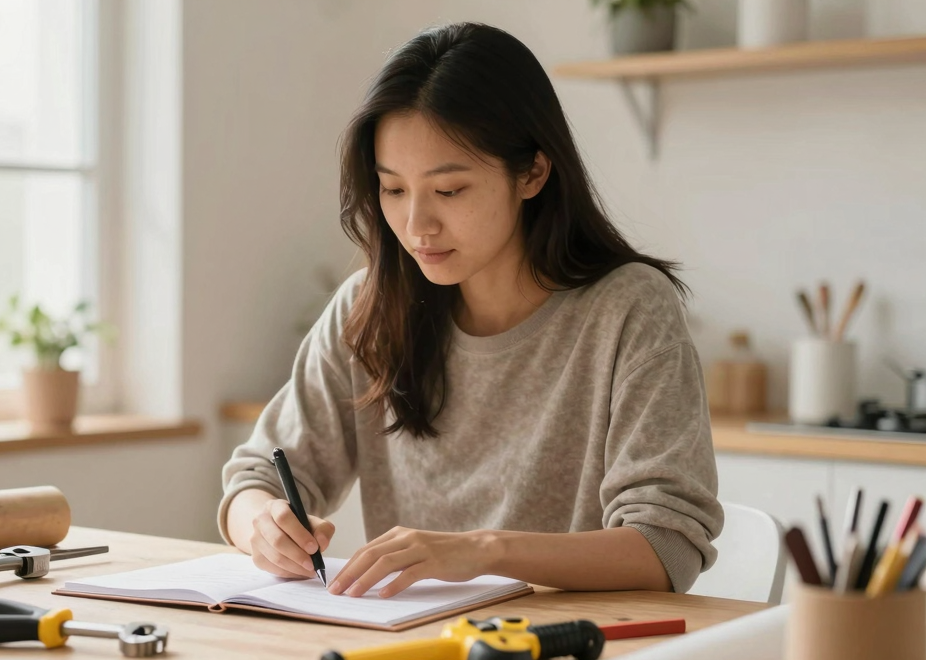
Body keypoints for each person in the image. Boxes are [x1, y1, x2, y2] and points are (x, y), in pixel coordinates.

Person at [217, 22, 723, 599]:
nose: (416, 226)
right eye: (393, 190)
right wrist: (264, 523)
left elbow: (666, 547)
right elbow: (254, 479)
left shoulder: (628, 309)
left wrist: (482, 551)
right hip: (411, 654)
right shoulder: (369, 307)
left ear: (532, 172)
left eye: (449, 191)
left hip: (569, 655)